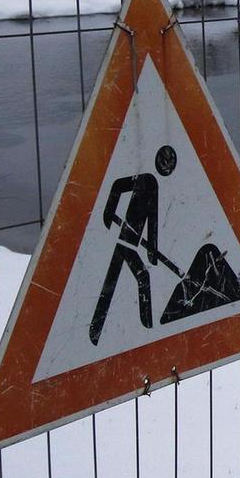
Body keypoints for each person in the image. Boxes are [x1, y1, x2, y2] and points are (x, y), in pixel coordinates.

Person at [88, 145, 176, 345]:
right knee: (125, 281)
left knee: (122, 281)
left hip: (133, 244)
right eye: (166, 164)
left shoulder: (153, 184)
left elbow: (153, 220)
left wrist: (152, 251)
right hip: (122, 239)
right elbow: (117, 186)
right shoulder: (143, 178)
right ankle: (97, 331)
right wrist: (108, 214)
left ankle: (144, 331)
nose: (168, 169)